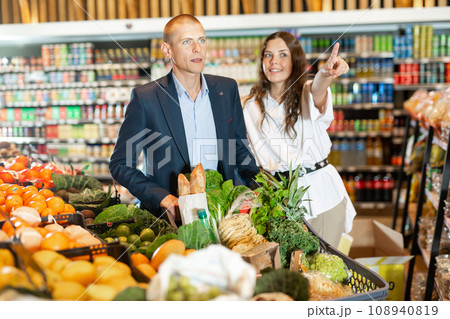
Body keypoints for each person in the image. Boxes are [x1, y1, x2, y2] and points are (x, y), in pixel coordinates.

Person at [110, 14, 260, 221]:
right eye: (186, 42)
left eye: (201, 40)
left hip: (222, 215)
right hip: (170, 218)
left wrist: (257, 186)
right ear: (167, 50)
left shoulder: (226, 89)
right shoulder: (146, 98)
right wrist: (164, 198)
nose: (197, 48)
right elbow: (120, 164)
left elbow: (238, 148)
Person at [243, 31, 356, 247]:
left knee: (325, 271)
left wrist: (326, 73)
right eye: (268, 55)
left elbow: (318, 88)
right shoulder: (252, 106)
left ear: (295, 61)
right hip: (279, 201)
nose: (274, 61)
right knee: (292, 272)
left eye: (282, 54)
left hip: (322, 197)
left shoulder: (306, 92)